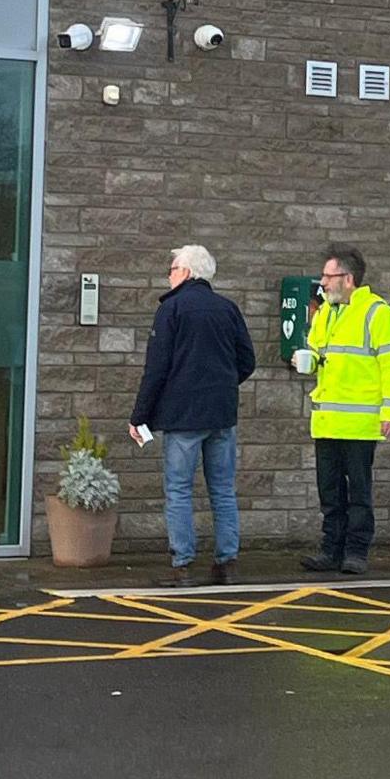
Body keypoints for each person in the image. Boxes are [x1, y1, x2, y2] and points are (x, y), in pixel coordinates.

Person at [128, 243, 257, 585]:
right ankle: (227, 563)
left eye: (171, 269)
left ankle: (182, 565)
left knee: (180, 489)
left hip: (183, 416)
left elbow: (155, 369)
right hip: (221, 414)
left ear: (185, 272)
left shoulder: (172, 310)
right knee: (223, 489)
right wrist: (225, 384)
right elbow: (248, 361)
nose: (168, 276)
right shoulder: (227, 309)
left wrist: (140, 415)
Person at [293, 245, 390, 576]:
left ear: (348, 278)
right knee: (330, 493)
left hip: (358, 423)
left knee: (358, 492)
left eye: (328, 276)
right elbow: (318, 352)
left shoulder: (377, 313)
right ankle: (331, 550)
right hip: (326, 421)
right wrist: (307, 359)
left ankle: (356, 552)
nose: (322, 282)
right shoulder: (326, 312)